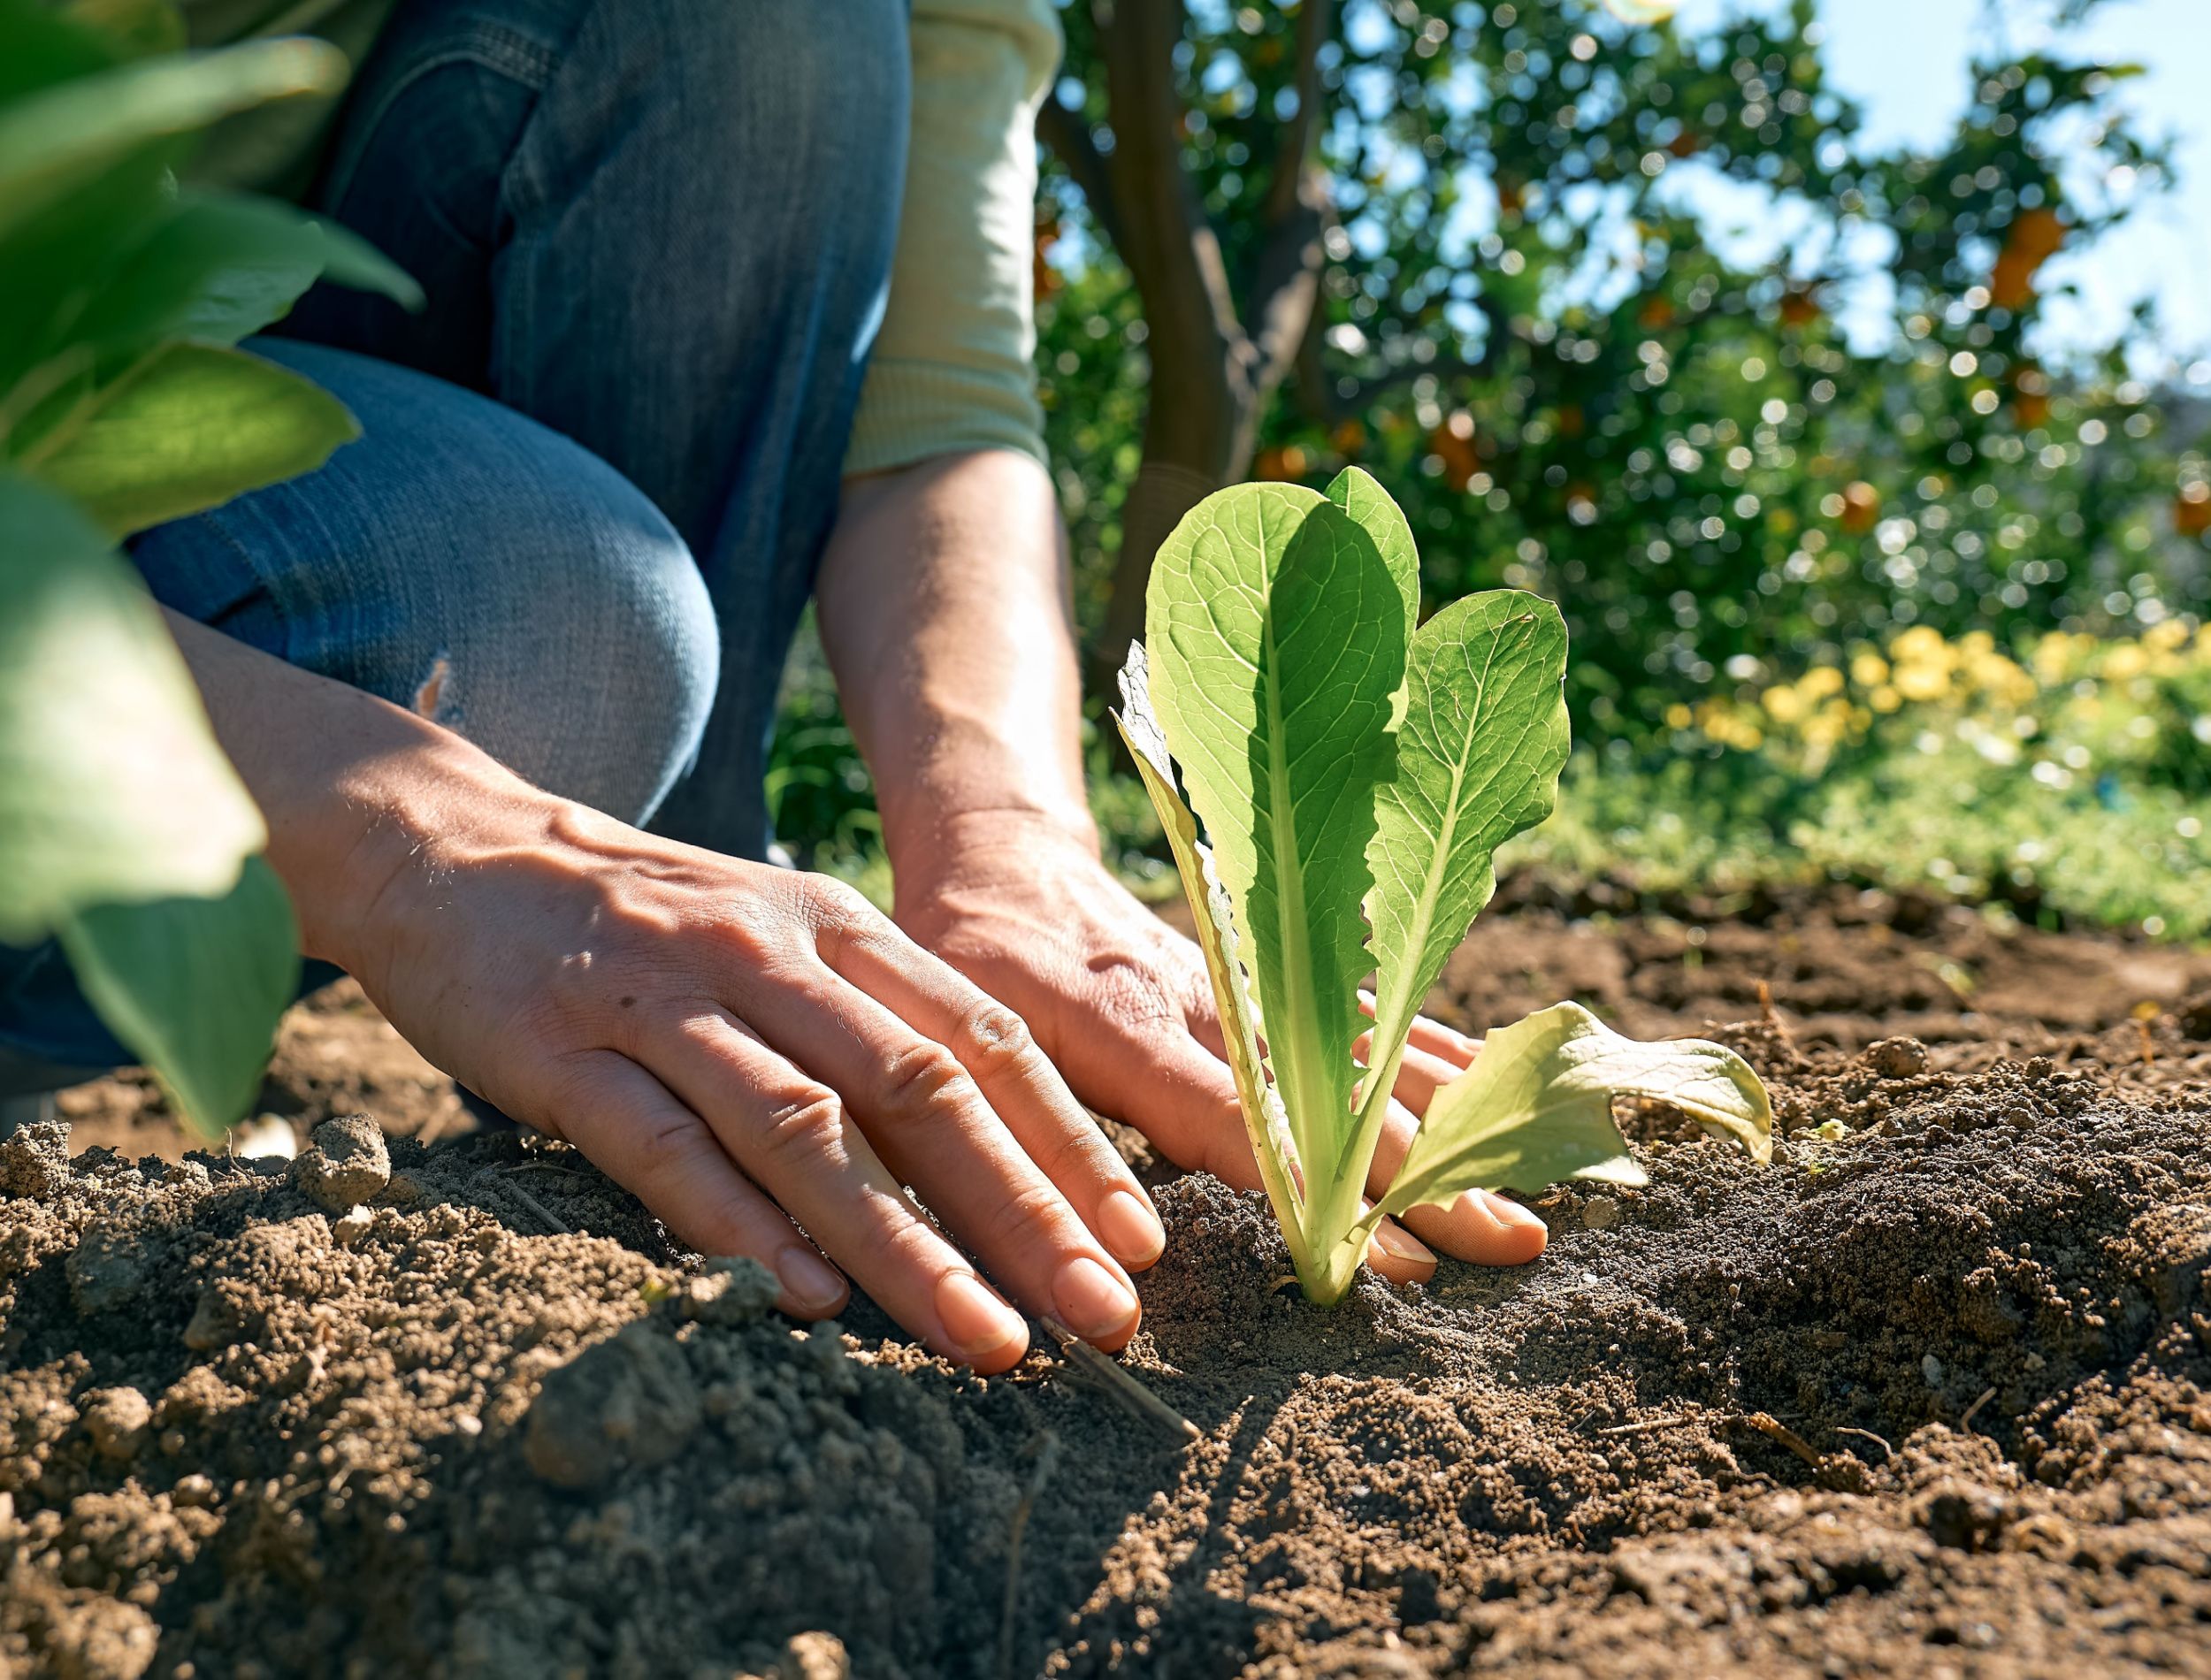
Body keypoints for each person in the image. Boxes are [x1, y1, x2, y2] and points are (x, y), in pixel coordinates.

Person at [0, 0, 1549, 1371]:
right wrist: (419, 841)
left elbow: (942, 408)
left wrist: (1006, 849)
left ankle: (689, 1024)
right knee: (583, 633)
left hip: (249, 419)